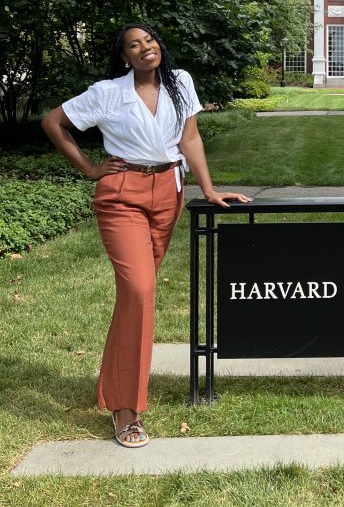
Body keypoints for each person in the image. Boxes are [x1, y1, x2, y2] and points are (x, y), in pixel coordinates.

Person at [42, 23, 248, 448]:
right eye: (133, 45)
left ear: (159, 45)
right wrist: (92, 169)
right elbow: (53, 122)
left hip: (167, 194)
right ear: (124, 57)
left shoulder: (180, 82)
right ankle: (127, 410)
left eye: (149, 40)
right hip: (122, 194)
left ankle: (112, 386)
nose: (144, 47)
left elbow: (189, 137)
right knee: (139, 290)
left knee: (134, 299)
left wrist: (208, 188)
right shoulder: (107, 92)